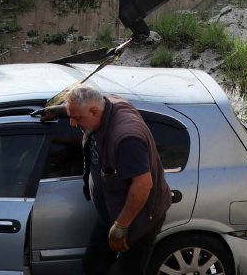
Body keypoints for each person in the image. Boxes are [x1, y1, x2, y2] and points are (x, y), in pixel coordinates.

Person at [65, 84, 171, 274]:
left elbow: (143, 184)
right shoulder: (108, 104)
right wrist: (61, 111)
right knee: (92, 267)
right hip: (110, 215)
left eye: (76, 118)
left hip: (137, 220)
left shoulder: (126, 139)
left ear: (94, 112)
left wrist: (121, 226)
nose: (72, 124)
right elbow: (91, 103)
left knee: (129, 271)